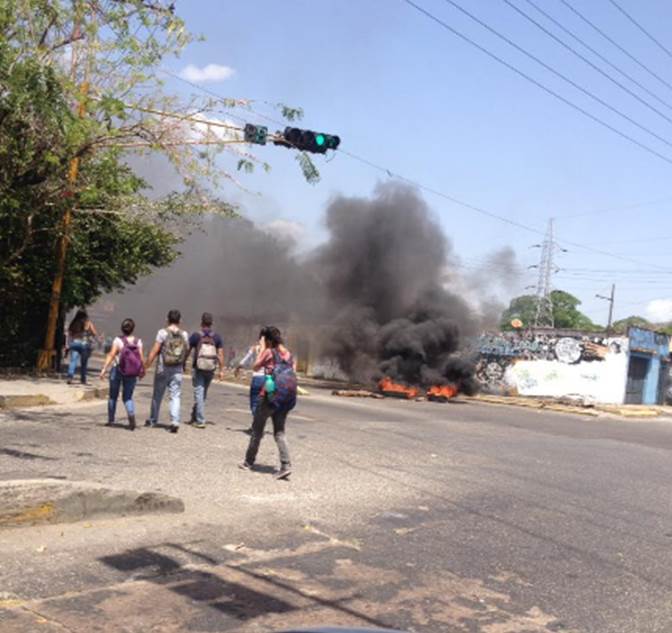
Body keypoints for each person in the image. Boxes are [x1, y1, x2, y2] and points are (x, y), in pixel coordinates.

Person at [240, 326, 297, 480]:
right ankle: (286, 465)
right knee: (279, 432)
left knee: (257, 430)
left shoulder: (269, 352)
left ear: (269, 340)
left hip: (269, 396)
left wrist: (263, 348)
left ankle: (248, 462)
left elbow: (256, 366)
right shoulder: (289, 354)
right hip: (285, 398)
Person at [144, 309, 189, 433]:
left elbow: (154, 350)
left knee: (157, 395)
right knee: (175, 395)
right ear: (180, 320)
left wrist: (146, 366)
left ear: (167, 319)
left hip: (163, 368)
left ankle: (153, 420)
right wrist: (183, 364)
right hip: (177, 369)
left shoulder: (162, 333)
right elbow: (186, 351)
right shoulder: (184, 334)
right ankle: (175, 421)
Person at [99, 318, 145, 430]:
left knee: (113, 396)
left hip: (117, 370)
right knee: (128, 397)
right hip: (132, 373)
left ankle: (111, 420)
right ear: (133, 329)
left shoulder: (118, 340)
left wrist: (104, 368)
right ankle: (131, 415)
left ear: (122, 328)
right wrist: (142, 370)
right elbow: (141, 358)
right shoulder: (138, 341)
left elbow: (111, 354)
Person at [188, 312, 225, 429]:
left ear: (201, 323)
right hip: (210, 368)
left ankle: (200, 420)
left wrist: (182, 363)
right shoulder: (217, 337)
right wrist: (221, 370)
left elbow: (187, 350)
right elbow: (221, 354)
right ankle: (195, 416)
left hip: (198, 368)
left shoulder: (196, 336)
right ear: (211, 323)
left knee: (199, 393)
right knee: (202, 394)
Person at [234, 330, 266, 433]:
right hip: (268, 380)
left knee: (254, 404)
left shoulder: (254, 349)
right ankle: (256, 426)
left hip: (257, 379)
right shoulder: (272, 351)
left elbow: (245, 360)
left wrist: (238, 367)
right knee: (263, 404)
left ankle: (257, 425)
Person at [66, 309, 97, 385]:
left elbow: (69, 334)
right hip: (84, 344)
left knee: (73, 361)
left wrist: (68, 344)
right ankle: (83, 379)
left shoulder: (74, 323)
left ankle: (70, 376)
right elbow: (95, 333)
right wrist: (88, 333)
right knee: (84, 363)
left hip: (75, 343)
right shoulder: (88, 323)